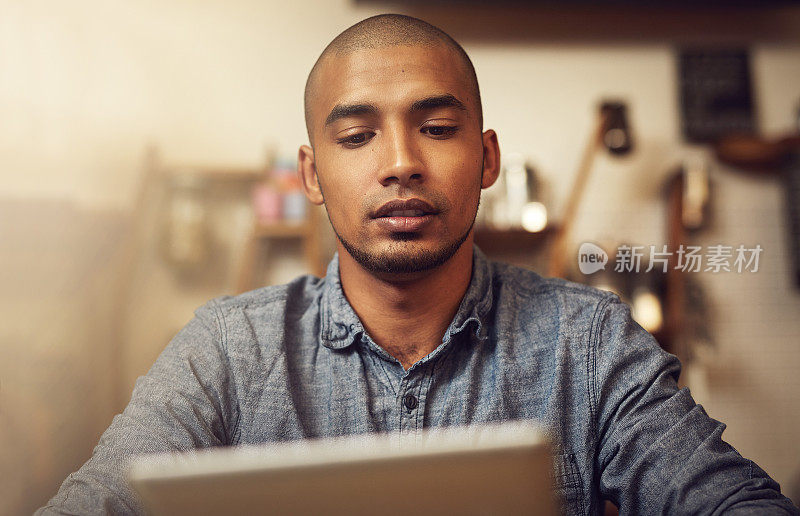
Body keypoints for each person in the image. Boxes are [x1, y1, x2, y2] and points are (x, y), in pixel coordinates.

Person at [39, 14, 798, 515]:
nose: (401, 164)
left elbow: (728, 501)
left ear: (487, 157)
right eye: (357, 136)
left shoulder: (590, 344)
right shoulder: (227, 351)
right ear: (310, 175)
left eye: (436, 127)